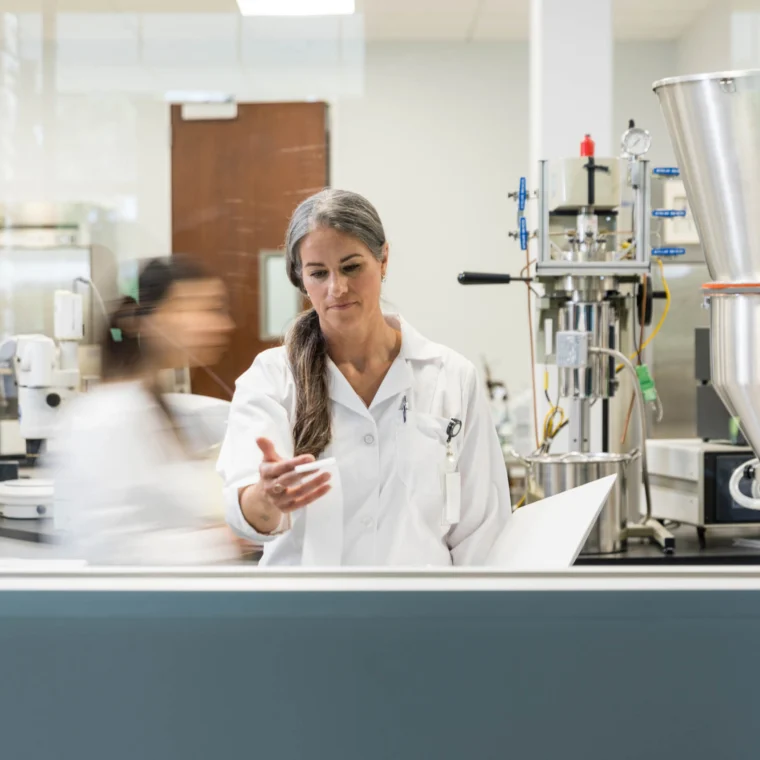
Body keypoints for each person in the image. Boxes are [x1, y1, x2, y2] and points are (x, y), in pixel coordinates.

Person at [218, 189, 512, 566]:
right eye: (318, 273)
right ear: (300, 278)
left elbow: (481, 533)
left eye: (351, 267)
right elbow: (247, 517)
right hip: (306, 616)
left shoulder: (451, 377)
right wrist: (266, 496)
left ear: (383, 259)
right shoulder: (272, 379)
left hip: (420, 617)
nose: (336, 288)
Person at [50, 256, 237, 565]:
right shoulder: (105, 417)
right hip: (137, 607)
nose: (222, 324)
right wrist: (228, 539)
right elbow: (107, 549)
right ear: (150, 318)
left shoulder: (165, 406)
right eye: (206, 309)